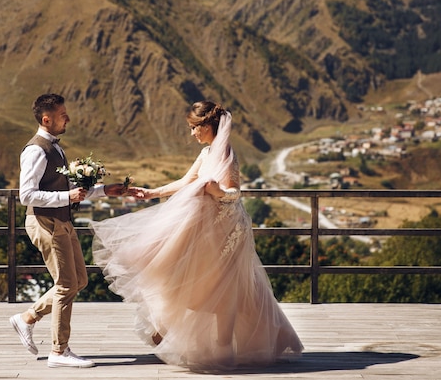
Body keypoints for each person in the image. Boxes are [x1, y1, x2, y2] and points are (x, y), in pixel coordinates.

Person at [91, 101, 303, 371]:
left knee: (225, 289)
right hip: (204, 229)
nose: (192, 133)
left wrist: (217, 192)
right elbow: (185, 181)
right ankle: (167, 332)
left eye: (194, 128)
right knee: (181, 277)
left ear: (207, 125)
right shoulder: (206, 153)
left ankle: (225, 349)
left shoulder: (226, 153)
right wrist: (152, 193)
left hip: (225, 231)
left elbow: (234, 193)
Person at [11, 93, 126, 368]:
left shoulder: (55, 147)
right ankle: (59, 352)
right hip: (45, 222)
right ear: (47, 119)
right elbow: (26, 195)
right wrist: (67, 198)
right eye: (63, 115)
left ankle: (27, 318)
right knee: (65, 285)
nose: (68, 119)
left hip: (62, 221)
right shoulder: (36, 150)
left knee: (79, 281)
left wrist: (103, 191)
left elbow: (66, 190)